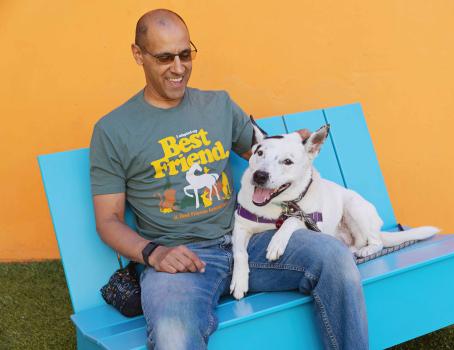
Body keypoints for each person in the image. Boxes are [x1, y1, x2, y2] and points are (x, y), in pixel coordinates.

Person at [90, 9, 368, 350]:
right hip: (179, 260)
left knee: (335, 258)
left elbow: (260, 156)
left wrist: (290, 147)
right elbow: (108, 220)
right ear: (138, 54)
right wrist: (153, 254)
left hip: (250, 239)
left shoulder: (218, 105)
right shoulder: (113, 130)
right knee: (173, 336)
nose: (178, 68)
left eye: (185, 54)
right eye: (164, 58)